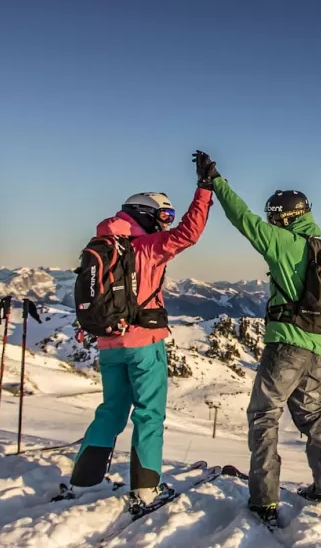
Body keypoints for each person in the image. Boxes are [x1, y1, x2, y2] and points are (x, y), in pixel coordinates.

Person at [205, 160, 321, 526]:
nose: (269, 222)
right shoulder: (320, 247)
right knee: (312, 415)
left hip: (286, 345)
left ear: (283, 218)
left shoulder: (285, 243)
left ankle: (264, 499)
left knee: (264, 415)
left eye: (273, 216)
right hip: (315, 347)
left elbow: (244, 220)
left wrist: (216, 183)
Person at [68, 153, 214, 502]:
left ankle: (83, 482)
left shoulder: (104, 245)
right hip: (144, 343)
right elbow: (189, 233)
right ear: (145, 214)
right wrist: (204, 190)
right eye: (163, 216)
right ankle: (146, 489)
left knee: (112, 410)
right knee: (149, 415)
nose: (166, 224)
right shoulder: (146, 247)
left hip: (108, 342)